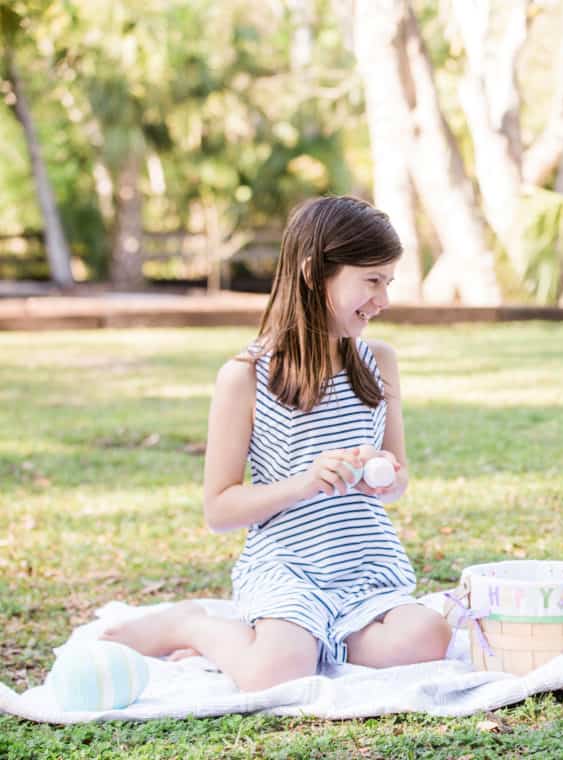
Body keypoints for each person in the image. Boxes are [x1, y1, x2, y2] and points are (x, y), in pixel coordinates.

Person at [102, 196, 451, 690]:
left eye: (388, 282)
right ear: (314, 273)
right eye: (372, 281)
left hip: (364, 562)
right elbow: (219, 509)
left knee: (427, 637)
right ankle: (188, 624)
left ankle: (318, 638)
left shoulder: (380, 363)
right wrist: (305, 483)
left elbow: (398, 481)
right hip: (286, 564)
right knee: (276, 673)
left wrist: (386, 479)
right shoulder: (244, 378)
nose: (384, 299)